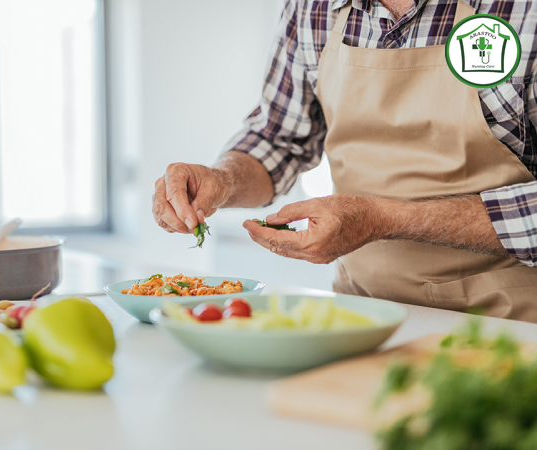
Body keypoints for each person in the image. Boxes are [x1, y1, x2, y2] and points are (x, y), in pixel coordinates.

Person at [151, 0, 537, 321]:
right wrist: (223, 180)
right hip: (363, 317)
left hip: (509, 324)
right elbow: (279, 139)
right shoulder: (312, 9)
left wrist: (381, 218)